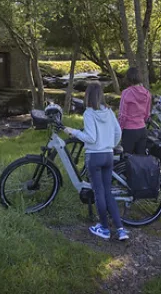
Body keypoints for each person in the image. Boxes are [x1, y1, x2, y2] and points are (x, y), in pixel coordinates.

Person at [64, 81, 129, 242]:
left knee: (99, 193)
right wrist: (111, 145)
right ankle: (121, 229)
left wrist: (74, 132)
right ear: (101, 95)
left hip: (94, 156)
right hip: (108, 155)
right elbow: (118, 131)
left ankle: (105, 229)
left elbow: (91, 138)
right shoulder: (108, 112)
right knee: (108, 192)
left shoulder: (89, 113)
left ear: (87, 96)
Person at [118, 66, 151, 155]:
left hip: (129, 130)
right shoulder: (147, 93)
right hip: (142, 129)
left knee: (126, 159)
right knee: (140, 161)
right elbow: (147, 114)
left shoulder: (126, 93)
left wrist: (119, 130)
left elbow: (122, 115)